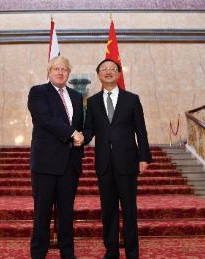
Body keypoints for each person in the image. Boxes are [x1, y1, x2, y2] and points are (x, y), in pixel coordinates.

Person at [81, 59, 151, 259]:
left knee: (129, 209)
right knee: (108, 209)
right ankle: (111, 250)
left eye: (112, 69)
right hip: (104, 164)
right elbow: (89, 129)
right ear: (99, 75)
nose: (108, 72)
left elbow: (141, 130)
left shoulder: (132, 99)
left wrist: (144, 156)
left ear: (119, 74)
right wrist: (80, 139)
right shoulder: (92, 102)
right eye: (104, 69)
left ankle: (132, 251)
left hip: (128, 162)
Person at [27, 56, 84, 259]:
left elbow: (79, 125)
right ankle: (38, 254)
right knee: (42, 213)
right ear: (49, 72)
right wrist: (72, 133)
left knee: (66, 213)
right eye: (56, 69)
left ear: (69, 73)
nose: (60, 72)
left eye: (64, 69)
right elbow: (45, 119)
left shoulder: (77, 97)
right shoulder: (38, 92)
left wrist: (82, 135)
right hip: (45, 164)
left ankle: (68, 254)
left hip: (70, 164)